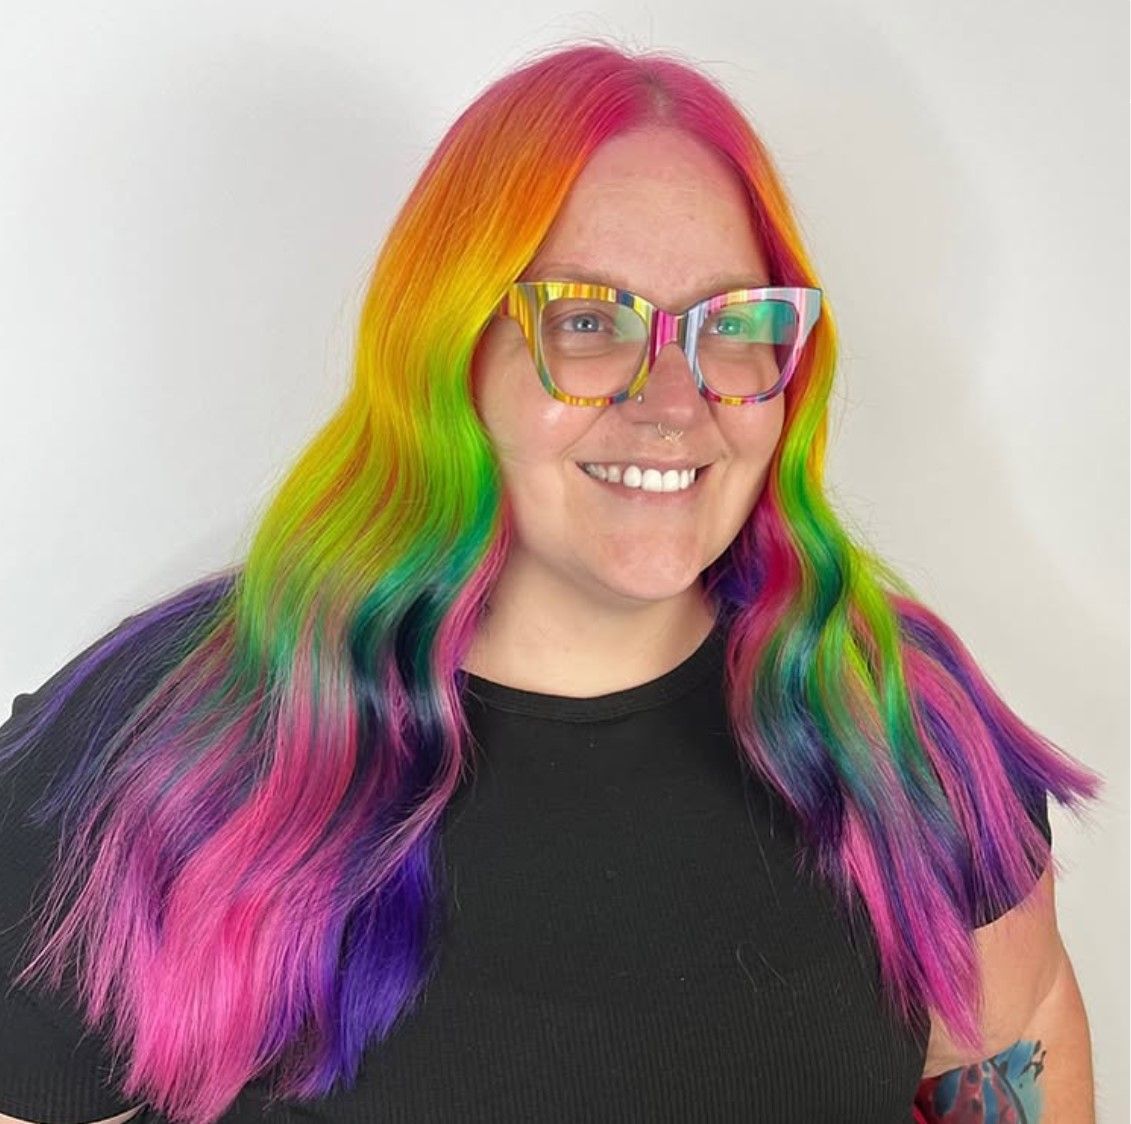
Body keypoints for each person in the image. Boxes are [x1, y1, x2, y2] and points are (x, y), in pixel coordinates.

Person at [0, 41, 1102, 1124]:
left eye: (734, 326)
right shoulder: (179, 734)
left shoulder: (888, 707)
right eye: (587, 321)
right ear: (452, 349)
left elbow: (1014, 1025)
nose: (674, 400)